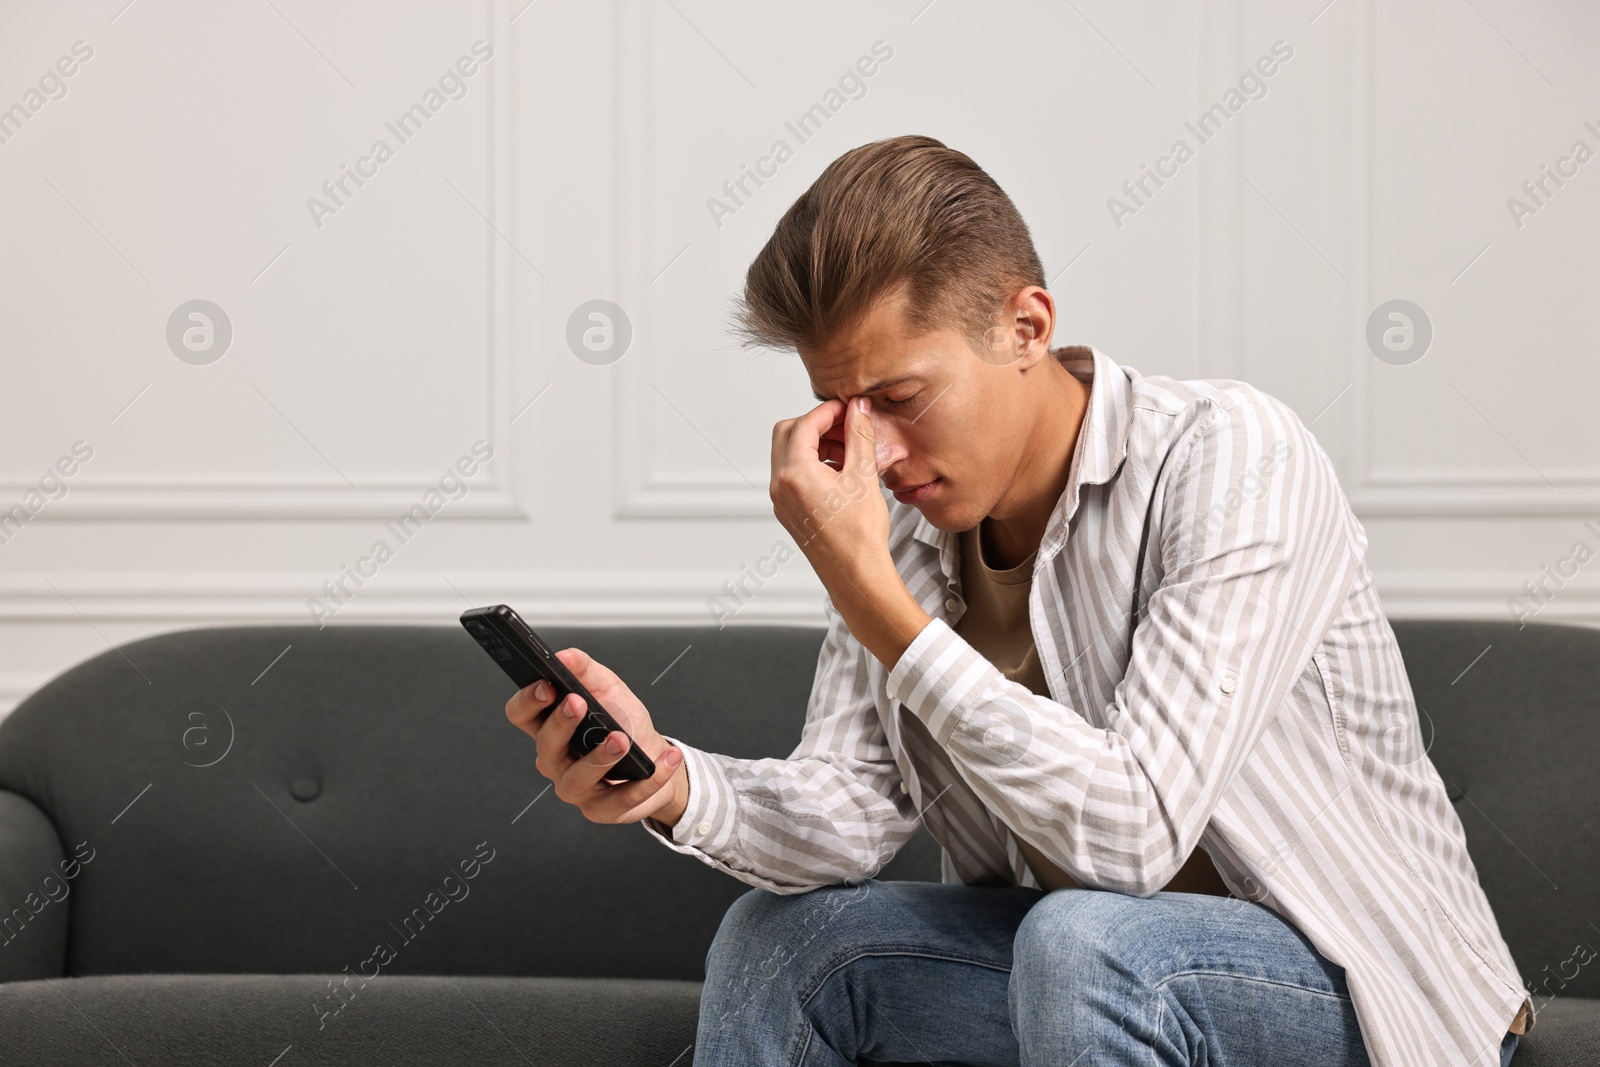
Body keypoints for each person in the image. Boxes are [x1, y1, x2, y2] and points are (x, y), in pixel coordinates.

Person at [505, 134, 1531, 1067]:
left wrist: (880, 608)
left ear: (1024, 325)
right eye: (843, 410)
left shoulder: (1230, 457)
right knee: (788, 943)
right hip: (1077, 983)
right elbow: (850, 813)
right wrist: (668, 780)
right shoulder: (903, 530)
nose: (876, 455)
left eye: (902, 399)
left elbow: (1133, 831)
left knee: (1085, 937)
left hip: (1360, 990)